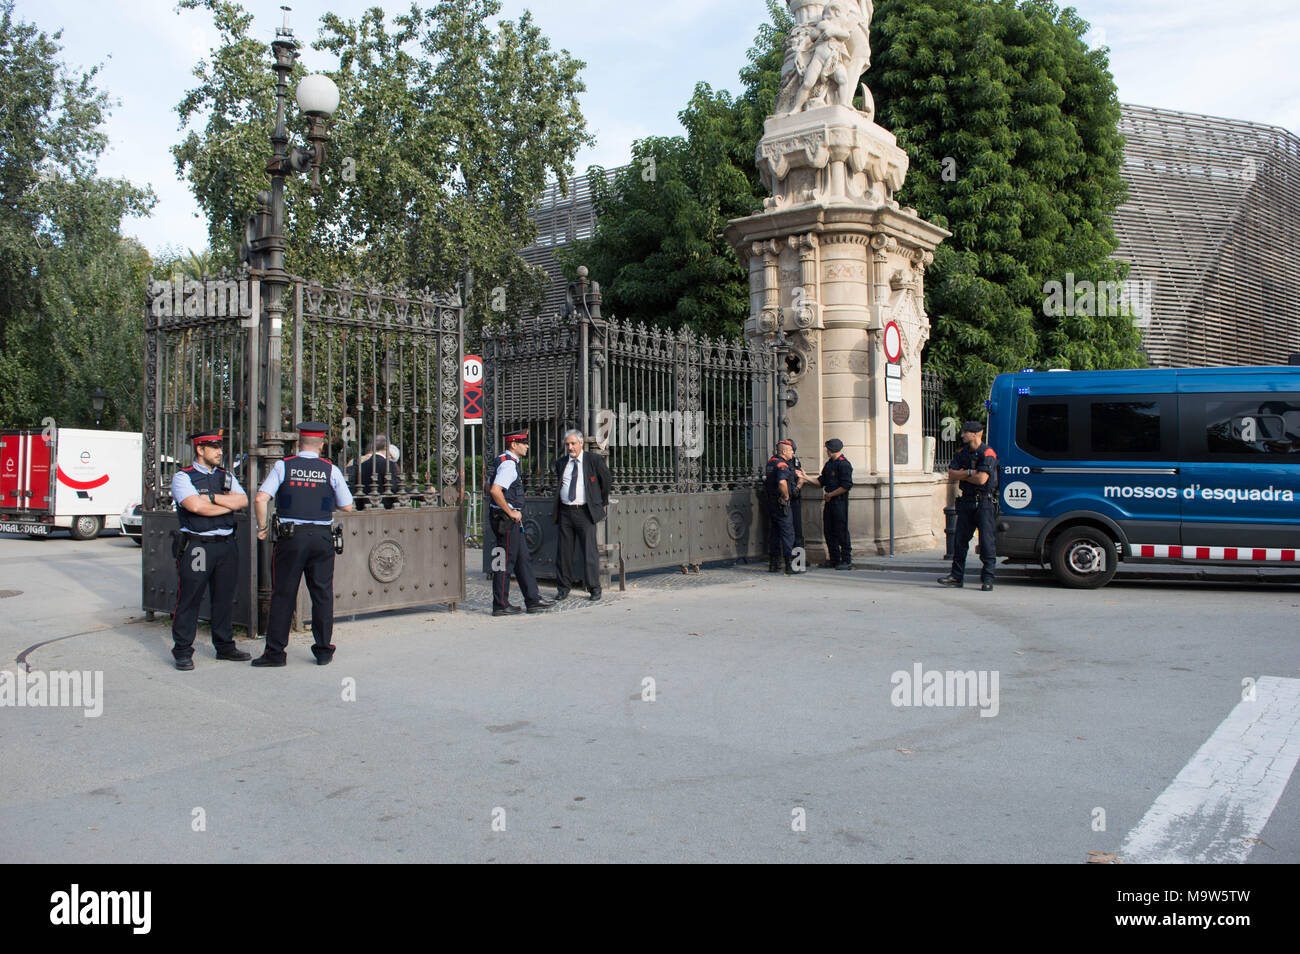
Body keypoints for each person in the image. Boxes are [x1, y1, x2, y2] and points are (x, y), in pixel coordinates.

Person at [253, 422, 355, 666]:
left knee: (283, 594)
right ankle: (323, 651)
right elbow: (347, 505)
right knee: (322, 594)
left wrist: (262, 528)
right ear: (321, 445)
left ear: (298, 444)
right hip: (321, 537)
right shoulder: (330, 469)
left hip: (291, 537)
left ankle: (275, 653)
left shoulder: (283, 465)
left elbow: (261, 498)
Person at [169, 430, 250, 670]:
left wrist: (210, 500)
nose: (219, 451)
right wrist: (225, 504)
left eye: (220, 447)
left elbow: (243, 500)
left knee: (224, 598)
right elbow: (195, 507)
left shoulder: (226, 476)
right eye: (214, 447)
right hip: (198, 546)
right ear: (200, 449)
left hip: (225, 544)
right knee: (190, 598)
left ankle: (224, 646)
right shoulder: (184, 477)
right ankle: (183, 650)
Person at [487, 430, 554, 616]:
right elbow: (495, 490)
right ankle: (500, 604)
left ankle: (532, 599)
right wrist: (510, 512)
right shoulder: (508, 465)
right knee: (504, 562)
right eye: (523, 443)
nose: (526, 446)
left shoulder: (501, 460)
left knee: (522, 558)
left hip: (507, 519)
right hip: (505, 520)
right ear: (513, 445)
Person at [552, 429, 612, 602]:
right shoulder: (561, 463)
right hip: (565, 511)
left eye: (573, 444)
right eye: (567, 444)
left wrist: (600, 500)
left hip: (585, 512)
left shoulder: (592, 460)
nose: (570, 447)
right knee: (564, 552)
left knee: (590, 551)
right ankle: (563, 588)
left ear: (580, 443)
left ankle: (594, 587)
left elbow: (606, 480)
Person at [938, 421, 999, 591]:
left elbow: (982, 480)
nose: (962, 435)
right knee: (960, 541)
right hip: (966, 502)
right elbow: (951, 474)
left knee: (987, 543)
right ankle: (956, 576)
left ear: (975, 434)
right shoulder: (961, 452)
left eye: (965, 432)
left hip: (984, 502)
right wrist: (971, 472)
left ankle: (987, 579)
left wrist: (963, 474)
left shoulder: (987, 453)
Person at [800, 438, 854, 569]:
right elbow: (820, 482)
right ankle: (834, 559)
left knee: (841, 530)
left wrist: (830, 494)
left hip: (839, 502)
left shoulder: (844, 464)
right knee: (829, 531)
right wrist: (805, 477)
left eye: (828, 449)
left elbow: (846, 485)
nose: (827, 451)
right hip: (830, 502)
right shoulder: (829, 464)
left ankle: (846, 560)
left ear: (833, 449)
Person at [764, 440, 802, 575]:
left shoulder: (771, 462)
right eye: (791, 450)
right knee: (788, 534)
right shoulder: (782, 464)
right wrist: (786, 496)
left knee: (774, 533)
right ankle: (790, 565)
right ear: (784, 451)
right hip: (781, 503)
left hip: (771, 502)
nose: (792, 453)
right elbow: (781, 482)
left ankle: (773, 564)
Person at [346, 434, 402, 510]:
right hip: (384, 509)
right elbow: (396, 488)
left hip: (364, 509)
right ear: (388, 447)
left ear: (372, 447)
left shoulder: (362, 466)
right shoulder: (388, 465)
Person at [788, 438, 806, 554]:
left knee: (797, 528)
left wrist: (798, 487)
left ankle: (798, 558)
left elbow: (801, 475)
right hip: (784, 498)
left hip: (794, 498)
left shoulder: (795, 461)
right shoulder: (778, 461)